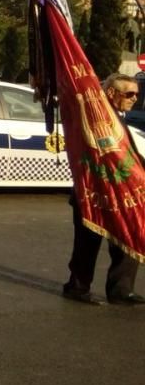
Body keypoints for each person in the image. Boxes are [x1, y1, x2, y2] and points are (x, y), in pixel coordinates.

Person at [63, 73, 145, 305]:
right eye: (129, 94)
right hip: (93, 192)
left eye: (136, 95)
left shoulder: (118, 117)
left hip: (122, 194)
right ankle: (77, 287)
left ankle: (121, 290)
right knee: (87, 243)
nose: (134, 100)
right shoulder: (94, 115)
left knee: (128, 238)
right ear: (111, 93)